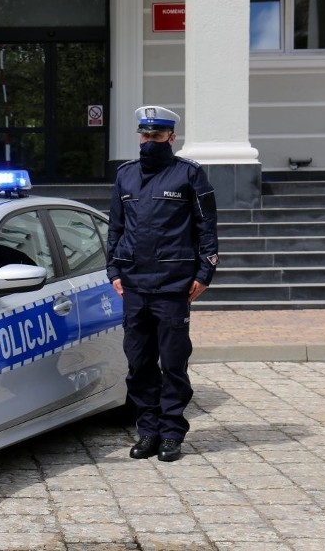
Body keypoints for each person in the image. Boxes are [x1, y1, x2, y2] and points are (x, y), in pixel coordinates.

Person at [106, 105, 219, 462]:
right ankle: (148, 431)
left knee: (172, 364)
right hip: (135, 286)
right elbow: (116, 228)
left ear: (172, 137)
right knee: (138, 364)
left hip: (173, 286)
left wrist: (204, 273)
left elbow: (207, 228)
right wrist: (113, 272)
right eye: (145, 135)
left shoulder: (189, 175)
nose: (149, 141)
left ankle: (171, 433)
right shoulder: (125, 175)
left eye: (157, 135)